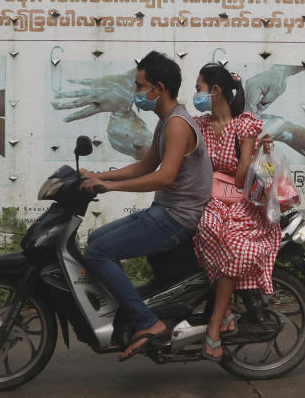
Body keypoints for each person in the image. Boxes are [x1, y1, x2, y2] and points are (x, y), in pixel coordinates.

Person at [79, 51, 213, 362]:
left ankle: (146, 323)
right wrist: (97, 175)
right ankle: (127, 311)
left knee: (99, 252)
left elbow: (164, 177)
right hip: (165, 212)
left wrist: (110, 187)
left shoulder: (178, 124)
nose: (136, 93)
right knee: (97, 241)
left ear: (160, 89)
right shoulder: (166, 121)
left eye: (140, 86)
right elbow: (143, 167)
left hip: (176, 219)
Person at [191, 63, 281, 362]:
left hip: (241, 202)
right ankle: (224, 308)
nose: (196, 94)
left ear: (215, 91)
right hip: (211, 199)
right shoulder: (199, 125)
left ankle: (215, 326)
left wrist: (253, 150)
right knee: (207, 229)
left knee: (235, 245)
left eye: (199, 88)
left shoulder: (245, 125)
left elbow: (243, 177)